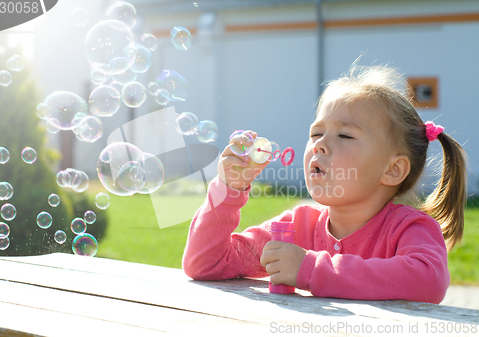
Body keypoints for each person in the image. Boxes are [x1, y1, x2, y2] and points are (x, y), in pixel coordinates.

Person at [182, 65, 467, 304]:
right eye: (316, 132)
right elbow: (207, 263)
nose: (320, 144)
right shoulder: (295, 226)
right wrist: (228, 190)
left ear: (392, 170)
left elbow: (427, 281)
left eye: (344, 135)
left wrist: (310, 269)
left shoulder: (409, 229)